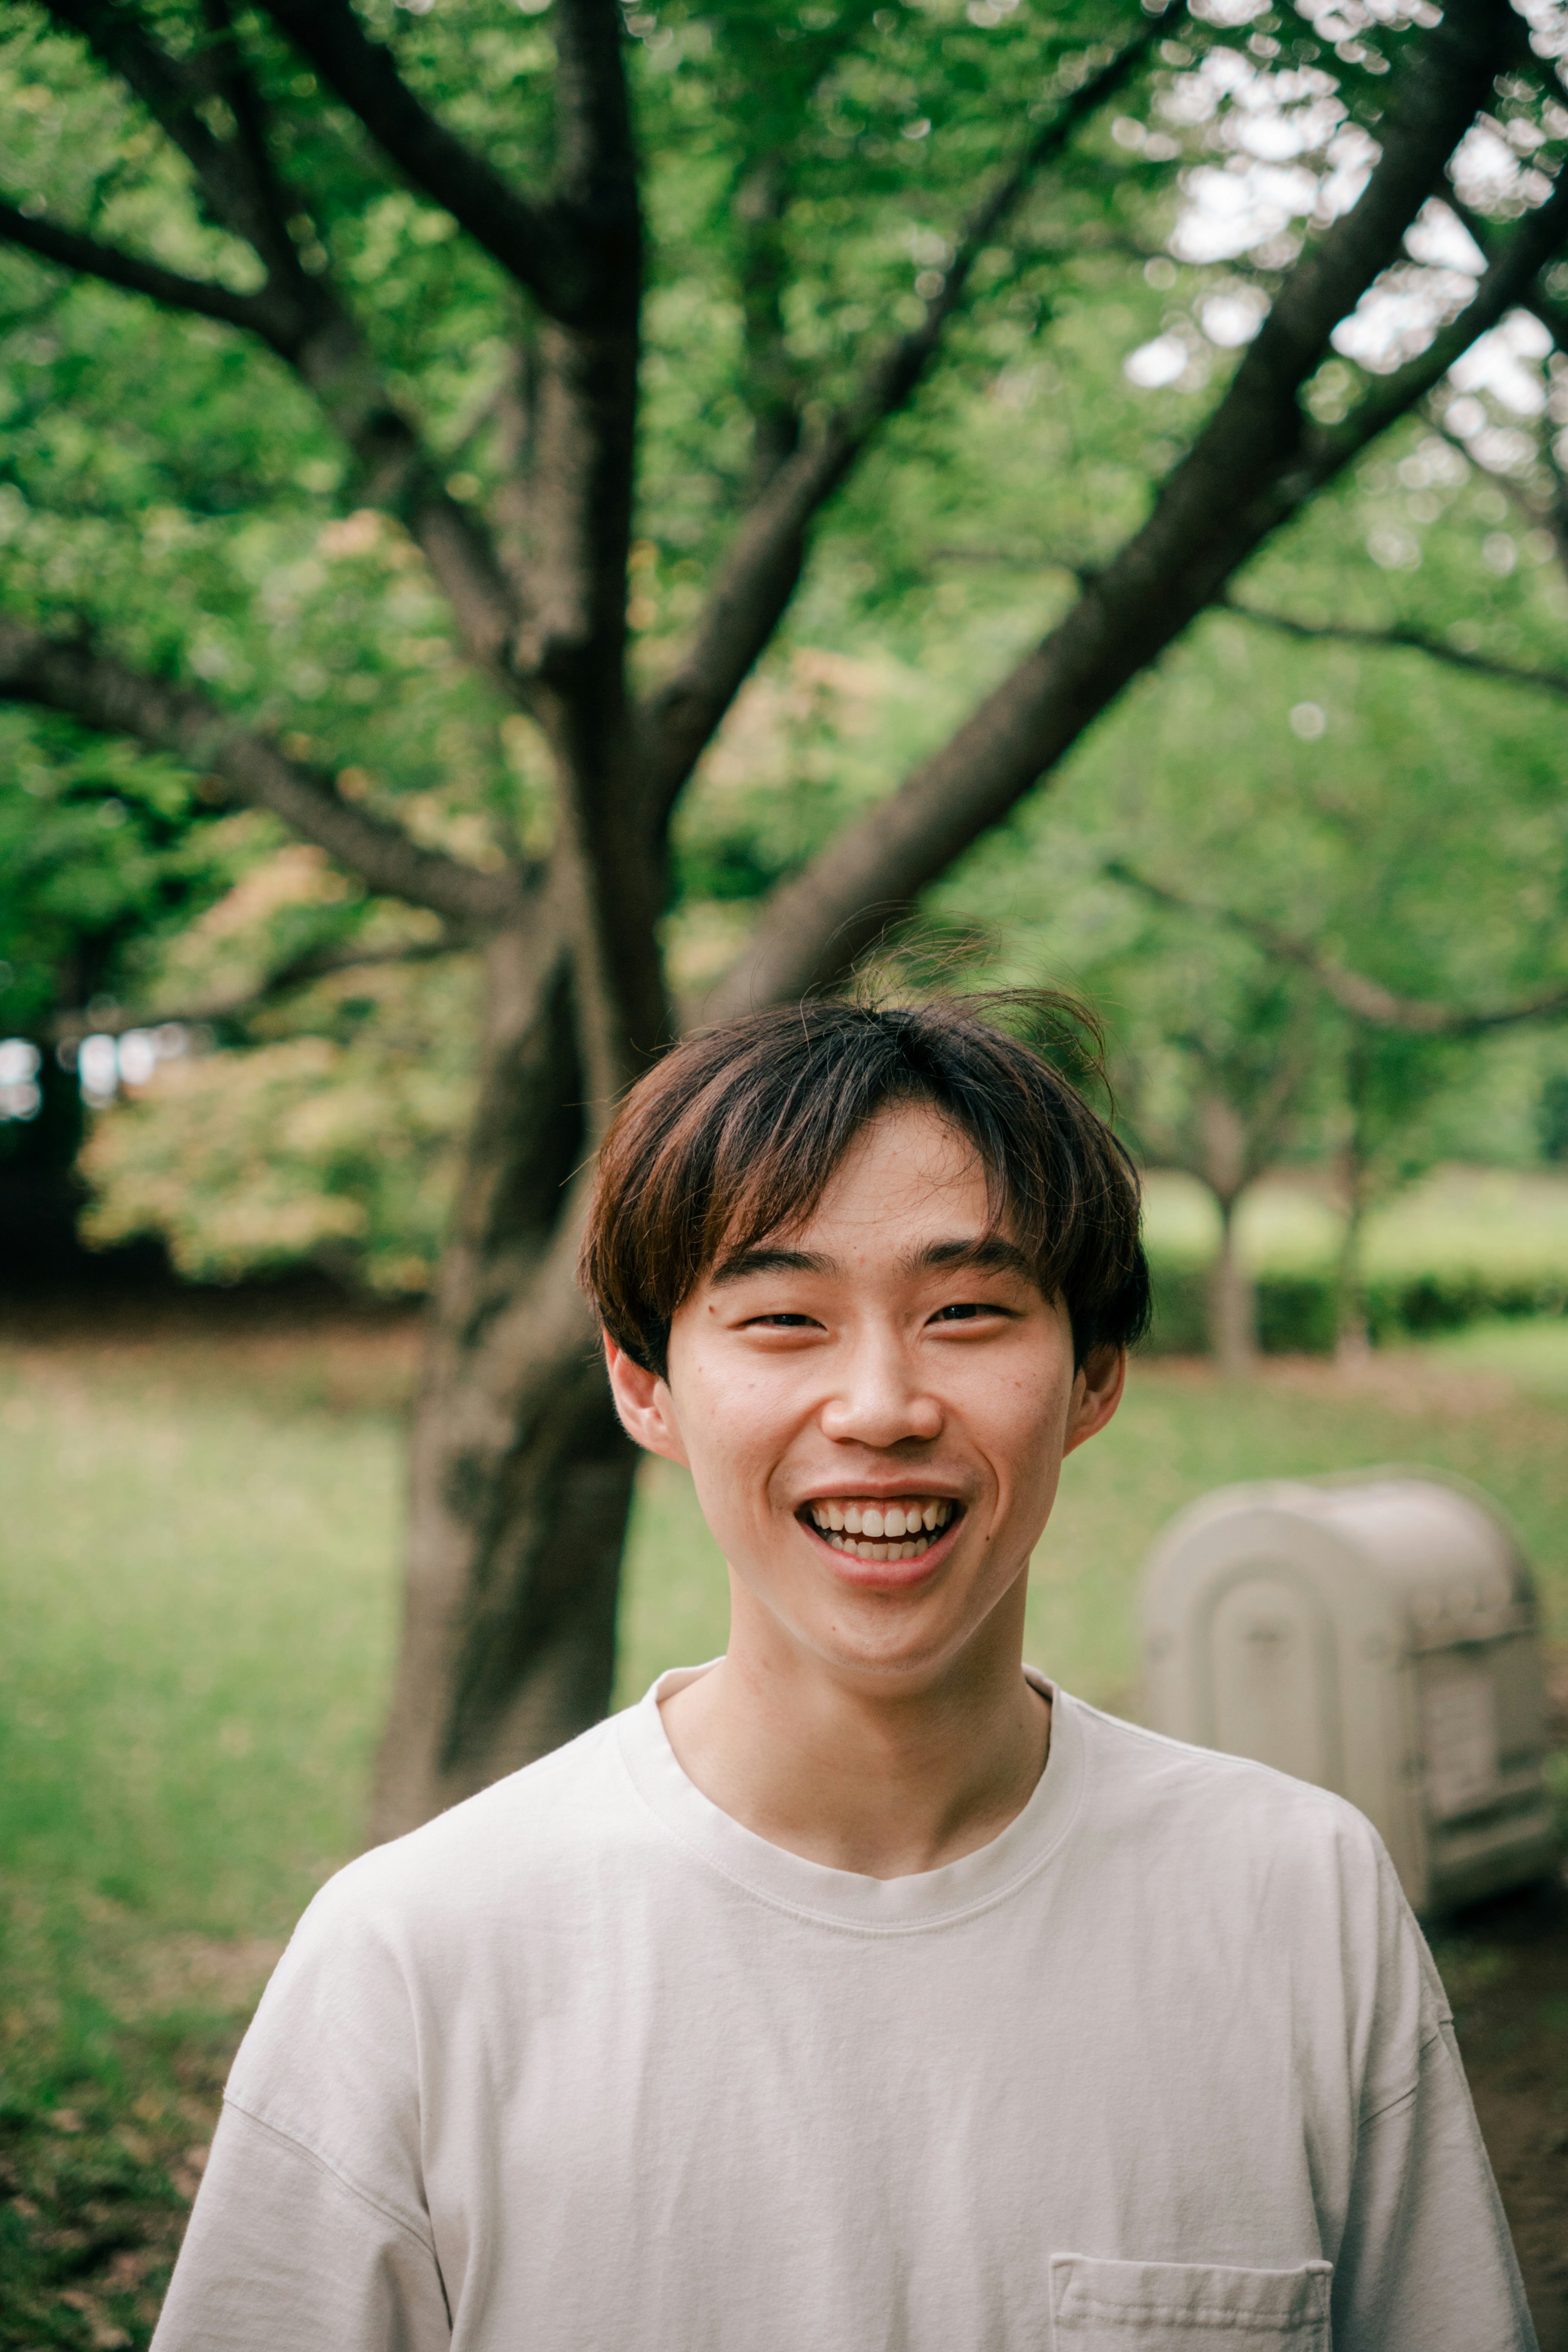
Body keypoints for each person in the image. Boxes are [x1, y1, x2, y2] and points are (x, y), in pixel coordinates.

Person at [152, 997, 1535, 2352]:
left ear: (1095, 1375)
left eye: (970, 1310)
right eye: (782, 1322)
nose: (881, 1408)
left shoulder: (1297, 1902)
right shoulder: (419, 1957)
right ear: (646, 1384)